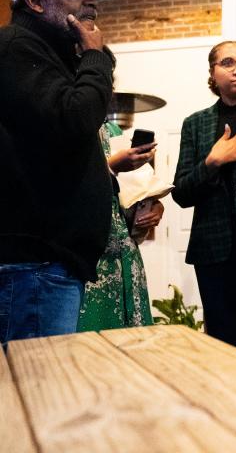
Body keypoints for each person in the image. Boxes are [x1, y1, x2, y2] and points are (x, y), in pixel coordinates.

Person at [0, 0, 116, 342]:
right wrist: (96, 58)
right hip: (33, 266)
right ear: (35, 1)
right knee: (36, 394)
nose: (90, 1)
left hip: (48, 265)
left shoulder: (53, 55)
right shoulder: (15, 47)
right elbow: (76, 118)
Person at [173, 41, 236, 354]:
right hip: (213, 251)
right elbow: (182, 193)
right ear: (213, 74)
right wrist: (213, 161)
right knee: (222, 344)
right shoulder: (196, 124)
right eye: (228, 63)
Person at [77, 113, 163, 331]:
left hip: (125, 256)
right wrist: (110, 167)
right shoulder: (67, 128)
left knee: (129, 352)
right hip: (87, 262)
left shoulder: (115, 133)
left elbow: (133, 195)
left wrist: (152, 209)